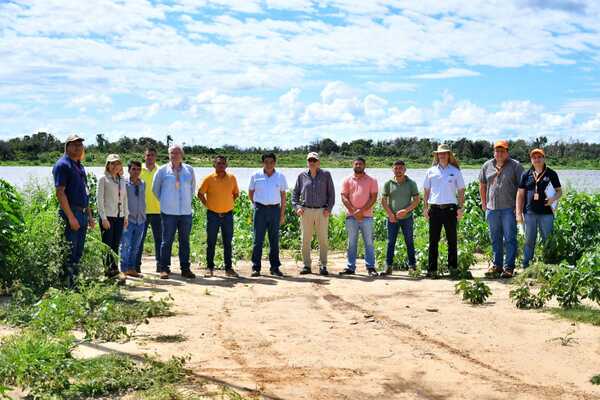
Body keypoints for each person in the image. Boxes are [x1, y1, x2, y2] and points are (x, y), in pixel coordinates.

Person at [52, 134, 95, 287]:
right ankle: (67, 287)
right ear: (67, 147)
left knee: (78, 253)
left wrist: (89, 216)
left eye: (80, 145)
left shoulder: (79, 165)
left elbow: (85, 192)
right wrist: (71, 217)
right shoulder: (62, 165)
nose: (78, 147)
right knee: (69, 252)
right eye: (74, 144)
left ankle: (75, 285)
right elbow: (60, 193)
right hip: (71, 213)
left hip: (82, 213)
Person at [479, 140, 524, 278]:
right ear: (494, 152)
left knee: (510, 238)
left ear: (507, 152)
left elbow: (522, 188)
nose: (499, 153)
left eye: (502, 151)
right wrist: (484, 202)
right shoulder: (487, 165)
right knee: (495, 238)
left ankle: (509, 267)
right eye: (497, 151)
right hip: (492, 209)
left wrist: (518, 209)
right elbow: (482, 184)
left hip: (508, 209)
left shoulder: (515, 166)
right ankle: (497, 266)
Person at [153, 144, 196, 280]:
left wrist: (186, 202)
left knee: (185, 241)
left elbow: (192, 188)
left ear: (182, 155)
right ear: (168, 155)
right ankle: (164, 268)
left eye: (177, 153)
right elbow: (155, 190)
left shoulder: (189, 170)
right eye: (172, 153)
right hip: (168, 212)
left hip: (185, 213)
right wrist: (166, 201)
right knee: (166, 241)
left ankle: (185, 268)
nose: (175, 155)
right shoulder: (162, 171)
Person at [423, 144, 465, 278]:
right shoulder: (430, 171)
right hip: (434, 209)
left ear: (449, 155)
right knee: (433, 240)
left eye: (445, 153)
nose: (442, 155)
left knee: (452, 240)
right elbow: (426, 190)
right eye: (440, 153)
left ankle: (452, 269)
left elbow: (461, 190)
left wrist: (460, 207)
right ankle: (432, 270)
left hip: (450, 209)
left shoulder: (455, 171)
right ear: (437, 155)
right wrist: (425, 208)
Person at [516, 148, 562, 273]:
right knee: (529, 240)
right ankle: (526, 266)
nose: (537, 159)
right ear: (531, 159)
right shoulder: (526, 175)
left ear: (543, 158)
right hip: (529, 213)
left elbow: (559, 191)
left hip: (547, 214)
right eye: (534, 157)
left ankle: (549, 266)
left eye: (539, 157)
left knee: (547, 239)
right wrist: (518, 213)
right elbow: (520, 195)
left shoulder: (551, 173)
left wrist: (553, 199)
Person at [292, 152, 335, 276]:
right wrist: (297, 207)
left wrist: (329, 208)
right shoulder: (302, 176)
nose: (312, 162)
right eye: (310, 160)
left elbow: (331, 194)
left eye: (314, 160)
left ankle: (323, 265)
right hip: (306, 212)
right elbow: (295, 194)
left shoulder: (326, 175)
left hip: (322, 211)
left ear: (318, 162)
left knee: (323, 240)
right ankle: (307, 265)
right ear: (307, 162)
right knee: (305, 240)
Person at [198, 155, 240, 278]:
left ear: (226, 165)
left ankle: (228, 268)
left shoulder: (232, 178)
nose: (221, 165)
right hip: (213, 215)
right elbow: (200, 194)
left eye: (223, 163)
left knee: (228, 242)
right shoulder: (208, 179)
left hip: (227, 215)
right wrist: (208, 205)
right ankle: (209, 268)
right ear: (214, 165)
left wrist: (228, 204)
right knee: (211, 242)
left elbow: (236, 194)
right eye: (218, 163)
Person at [249, 153, 287, 277]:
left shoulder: (280, 176)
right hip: (260, 210)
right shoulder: (256, 176)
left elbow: (283, 196)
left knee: (274, 240)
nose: (269, 164)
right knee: (257, 240)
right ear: (262, 163)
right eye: (266, 162)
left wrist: (282, 214)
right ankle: (256, 268)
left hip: (275, 210)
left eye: (271, 162)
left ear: (275, 163)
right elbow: (251, 192)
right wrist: (256, 205)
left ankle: (275, 268)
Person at [340, 157, 379, 277]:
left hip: (367, 217)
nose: (358, 166)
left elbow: (373, 197)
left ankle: (371, 267)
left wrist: (361, 211)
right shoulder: (347, 180)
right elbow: (344, 197)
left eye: (360, 164)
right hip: (351, 218)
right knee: (351, 243)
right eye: (356, 164)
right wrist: (353, 211)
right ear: (353, 165)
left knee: (369, 243)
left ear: (364, 165)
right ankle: (350, 267)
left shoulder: (372, 180)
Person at [381, 160, 420, 275]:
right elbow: (383, 201)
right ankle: (388, 266)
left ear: (405, 169)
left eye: (400, 168)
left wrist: (406, 210)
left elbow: (417, 200)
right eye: (396, 168)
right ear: (392, 169)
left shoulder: (411, 183)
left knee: (409, 241)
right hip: (392, 218)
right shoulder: (388, 183)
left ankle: (412, 266)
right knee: (390, 242)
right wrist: (390, 214)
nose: (398, 170)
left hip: (407, 218)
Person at [97, 154, 128, 282]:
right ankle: (108, 271)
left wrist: (126, 216)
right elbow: (99, 200)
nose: (115, 166)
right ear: (108, 165)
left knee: (115, 245)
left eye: (118, 163)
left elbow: (125, 199)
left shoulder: (122, 180)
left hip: (119, 217)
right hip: (108, 217)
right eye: (112, 163)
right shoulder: (103, 179)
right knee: (107, 245)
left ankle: (115, 269)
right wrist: (103, 218)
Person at [137, 147, 162, 273]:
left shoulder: (161, 170)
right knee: (139, 240)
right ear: (144, 156)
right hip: (141, 211)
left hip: (159, 211)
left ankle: (160, 266)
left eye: (152, 155)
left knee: (159, 240)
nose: (150, 157)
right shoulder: (138, 169)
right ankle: (136, 266)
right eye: (148, 155)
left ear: (156, 156)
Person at [119, 160, 145, 278]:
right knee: (125, 245)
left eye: (138, 169)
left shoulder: (143, 183)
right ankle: (123, 270)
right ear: (129, 170)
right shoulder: (124, 183)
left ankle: (131, 268)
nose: (136, 172)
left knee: (135, 246)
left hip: (140, 220)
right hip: (128, 220)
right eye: (133, 169)